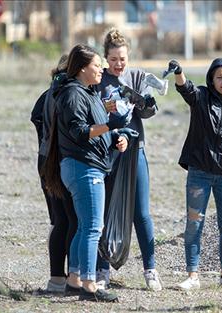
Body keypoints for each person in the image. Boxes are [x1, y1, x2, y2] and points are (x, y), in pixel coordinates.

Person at [42, 44, 130, 302]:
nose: (102, 69)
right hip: (83, 167)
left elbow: (96, 130)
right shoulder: (72, 94)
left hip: (87, 165)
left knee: (84, 226)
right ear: (82, 68)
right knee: (93, 227)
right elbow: (80, 132)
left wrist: (115, 137)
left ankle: (74, 279)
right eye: (96, 65)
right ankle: (90, 285)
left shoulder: (88, 93)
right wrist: (109, 125)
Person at [167, 58, 222, 290]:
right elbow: (186, 89)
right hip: (199, 173)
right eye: (219, 77)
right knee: (194, 225)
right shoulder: (201, 98)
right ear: (211, 80)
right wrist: (179, 71)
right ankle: (192, 276)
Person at [94, 28, 162, 291]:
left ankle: (151, 269)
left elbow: (147, 113)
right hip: (110, 152)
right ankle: (102, 270)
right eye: (113, 60)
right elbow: (97, 117)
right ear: (105, 58)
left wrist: (144, 101)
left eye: (122, 59)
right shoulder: (100, 81)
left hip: (136, 150)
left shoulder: (136, 76)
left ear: (128, 56)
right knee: (106, 211)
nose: (118, 64)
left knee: (141, 213)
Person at [30, 54, 77, 293]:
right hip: (60, 161)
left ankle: (57, 279)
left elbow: (36, 119)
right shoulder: (68, 92)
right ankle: (71, 279)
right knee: (72, 221)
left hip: (46, 160)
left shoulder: (50, 91)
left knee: (60, 220)